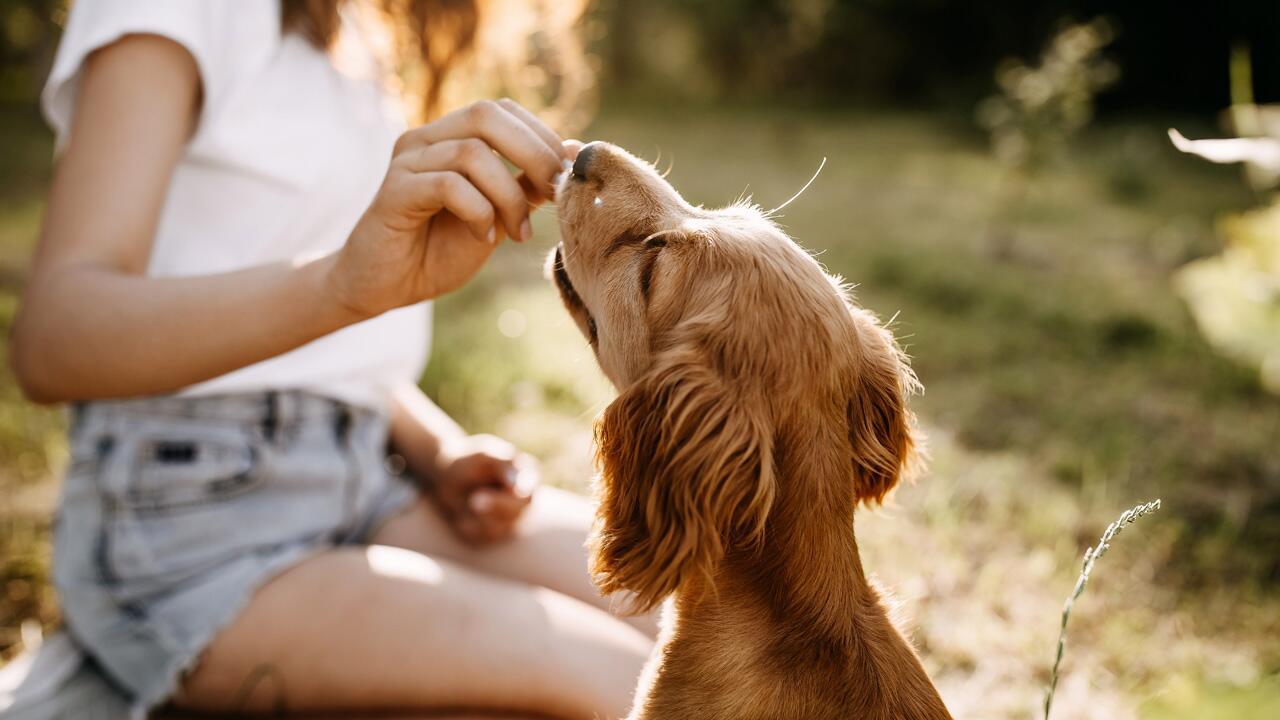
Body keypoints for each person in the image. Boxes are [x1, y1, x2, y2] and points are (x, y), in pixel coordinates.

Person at [5, 1, 653, 717]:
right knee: (629, 685)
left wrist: (437, 449)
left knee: (721, 615)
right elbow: (54, 339)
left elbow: (316, 355)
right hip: (189, 527)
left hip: (367, 482)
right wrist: (340, 284)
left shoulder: (355, 27)